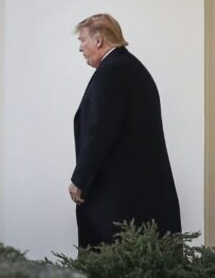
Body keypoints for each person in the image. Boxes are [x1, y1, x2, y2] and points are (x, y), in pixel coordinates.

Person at [69, 13, 181, 249]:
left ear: (99, 40)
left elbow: (100, 131)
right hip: (137, 194)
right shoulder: (127, 67)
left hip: (119, 199)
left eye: (82, 40)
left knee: (113, 259)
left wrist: (80, 179)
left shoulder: (113, 73)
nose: (80, 48)